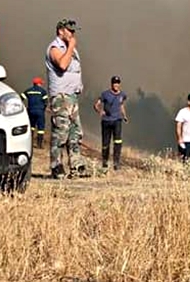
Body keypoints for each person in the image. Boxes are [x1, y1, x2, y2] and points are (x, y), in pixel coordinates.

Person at [45, 18, 88, 179]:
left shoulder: (70, 49)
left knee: (75, 132)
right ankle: (56, 166)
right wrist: (70, 47)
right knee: (61, 132)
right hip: (61, 97)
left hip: (71, 96)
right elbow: (62, 65)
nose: (72, 34)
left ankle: (77, 166)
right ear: (60, 31)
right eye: (69, 31)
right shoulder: (55, 48)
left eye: (74, 31)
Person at [94, 75, 129, 171]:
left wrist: (124, 116)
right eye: (114, 83)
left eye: (117, 83)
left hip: (117, 120)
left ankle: (116, 163)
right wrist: (100, 111)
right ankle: (105, 162)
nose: (116, 85)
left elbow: (121, 105)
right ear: (111, 84)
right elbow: (96, 104)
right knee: (105, 143)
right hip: (106, 121)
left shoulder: (122, 95)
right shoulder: (105, 94)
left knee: (118, 142)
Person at [20, 77, 48, 149]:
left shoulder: (28, 91)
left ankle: (30, 143)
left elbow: (20, 98)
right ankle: (39, 144)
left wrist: (23, 107)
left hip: (31, 111)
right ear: (39, 83)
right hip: (40, 111)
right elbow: (45, 103)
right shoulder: (43, 91)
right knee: (40, 128)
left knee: (31, 127)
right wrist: (43, 109)